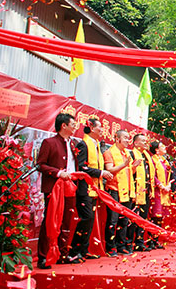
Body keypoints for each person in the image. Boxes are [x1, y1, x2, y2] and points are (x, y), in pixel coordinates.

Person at [36, 113, 78, 268]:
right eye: (73, 124)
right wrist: (58, 173)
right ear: (64, 126)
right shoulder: (50, 142)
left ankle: (62, 253)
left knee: (67, 220)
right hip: (54, 188)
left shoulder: (72, 144)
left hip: (70, 187)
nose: (75, 127)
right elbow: (40, 164)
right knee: (51, 221)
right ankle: (43, 256)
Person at [69, 118, 113, 262]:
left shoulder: (97, 145)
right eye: (100, 127)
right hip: (84, 188)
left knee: (90, 220)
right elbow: (82, 167)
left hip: (94, 188)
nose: (102, 130)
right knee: (86, 218)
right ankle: (73, 252)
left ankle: (84, 250)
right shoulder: (83, 144)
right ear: (92, 128)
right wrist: (101, 173)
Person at [103, 130, 140, 256]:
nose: (127, 140)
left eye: (128, 138)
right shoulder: (109, 153)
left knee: (124, 220)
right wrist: (124, 165)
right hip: (114, 190)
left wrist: (133, 167)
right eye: (125, 138)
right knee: (113, 220)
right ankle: (110, 246)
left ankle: (121, 245)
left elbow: (129, 173)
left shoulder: (126, 153)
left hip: (127, 191)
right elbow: (109, 170)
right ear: (117, 139)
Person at [128, 133, 154, 251]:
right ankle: (128, 243)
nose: (145, 143)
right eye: (143, 141)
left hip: (146, 191)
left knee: (143, 218)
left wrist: (150, 189)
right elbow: (128, 173)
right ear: (136, 143)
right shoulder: (131, 154)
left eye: (146, 141)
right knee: (133, 218)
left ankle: (139, 242)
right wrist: (133, 167)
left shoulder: (147, 156)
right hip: (135, 191)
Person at [149, 141, 171, 248]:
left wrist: (169, 185)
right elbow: (153, 175)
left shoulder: (165, 161)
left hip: (165, 191)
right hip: (157, 191)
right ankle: (152, 240)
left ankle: (157, 239)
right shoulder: (152, 160)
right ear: (156, 150)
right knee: (155, 215)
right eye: (162, 146)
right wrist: (161, 186)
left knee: (161, 216)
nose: (165, 147)